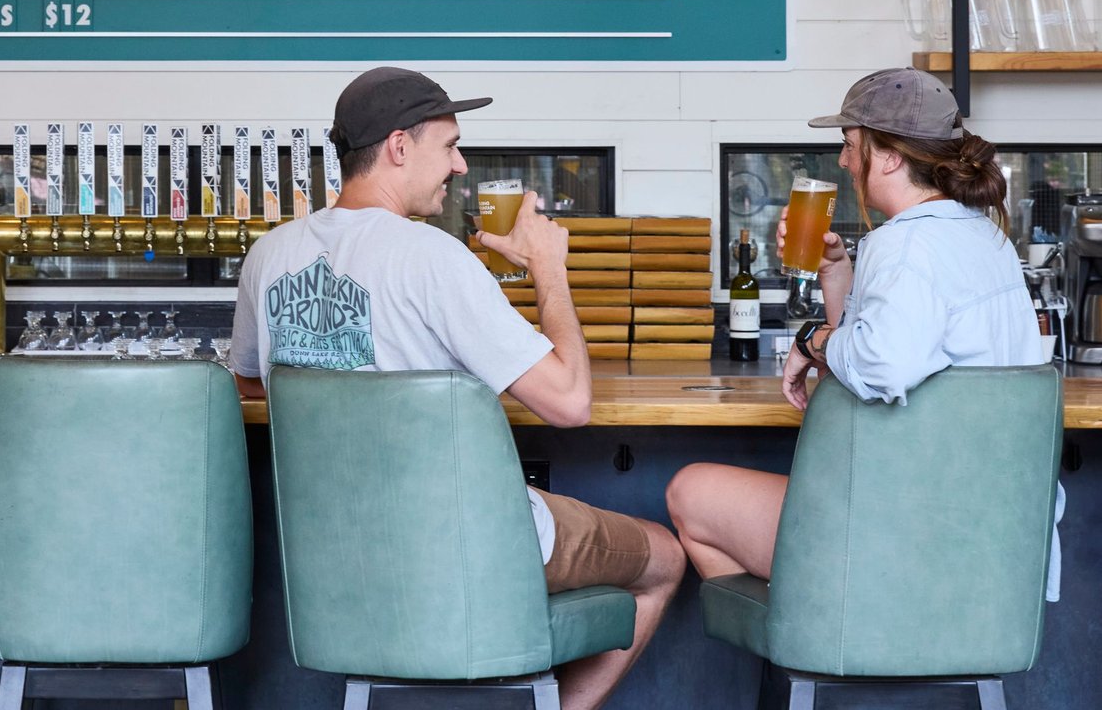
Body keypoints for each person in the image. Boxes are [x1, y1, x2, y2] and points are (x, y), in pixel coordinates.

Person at [229, 67, 684, 710]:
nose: (460, 165)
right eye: (449, 146)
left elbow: (251, 382)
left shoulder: (268, 256)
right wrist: (549, 270)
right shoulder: (432, 256)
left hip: (332, 556)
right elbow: (570, 402)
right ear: (399, 147)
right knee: (664, 559)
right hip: (463, 546)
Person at [664, 68, 1047, 589]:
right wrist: (835, 273)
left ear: (888, 157)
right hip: (992, 537)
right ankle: (847, 630)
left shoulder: (904, 243)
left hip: (904, 536)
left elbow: (882, 365)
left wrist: (812, 340)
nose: (843, 161)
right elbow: (883, 346)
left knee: (689, 492)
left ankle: (827, 630)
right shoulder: (986, 236)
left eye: (849, 144)